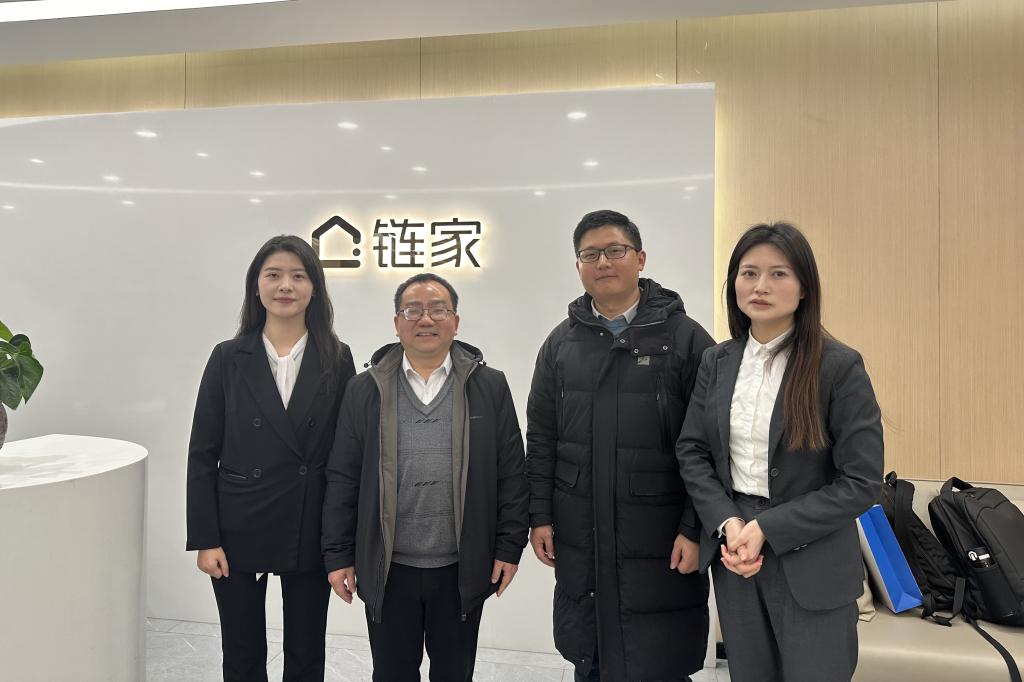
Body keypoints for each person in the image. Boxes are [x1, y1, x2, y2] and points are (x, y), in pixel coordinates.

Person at [676, 222, 883, 682]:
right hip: (735, 555)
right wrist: (728, 522)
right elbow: (692, 451)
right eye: (749, 273)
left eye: (778, 274)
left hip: (813, 560)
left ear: (804, 287)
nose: (761, 286)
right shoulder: (717, 361)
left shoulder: (838, 366)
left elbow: (861, 482)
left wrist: (767, 528)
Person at [526, 209, 716, 681]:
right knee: (591, 654)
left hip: (661, 533)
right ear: (578, 266)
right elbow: (542, 436)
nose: (603, 262)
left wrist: (695, 529)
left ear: (640, 259)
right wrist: (540, 516)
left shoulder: (686, 339)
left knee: (659, 657)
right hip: (580, 526)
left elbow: (711, 445)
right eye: (590, 254)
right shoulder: (560, 344)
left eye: (615, 250)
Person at [321, 272, 530, 682]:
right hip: (388, 568)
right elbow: (343, 476)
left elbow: (511, 472)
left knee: (454, 673)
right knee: (392, 673)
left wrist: (509, 547)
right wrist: (338, 555)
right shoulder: (364, 390)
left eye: (438, 309)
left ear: (456, 321)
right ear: (396, 323)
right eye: (412, 310)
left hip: (461, 568)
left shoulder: (489, 386)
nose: (426, 319)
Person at [186, 235, 356, 681]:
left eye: (298, 276)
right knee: (241, 651)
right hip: (238, 524)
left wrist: (341, 542)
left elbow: (346, 458)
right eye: (274, 275)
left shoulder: (337, 357)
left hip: (309, 522)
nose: (286, 286)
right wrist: (206, 538)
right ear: (256, 286)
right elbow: (202, 453)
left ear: (314, 288)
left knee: (306, 651)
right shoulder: (228, 357)